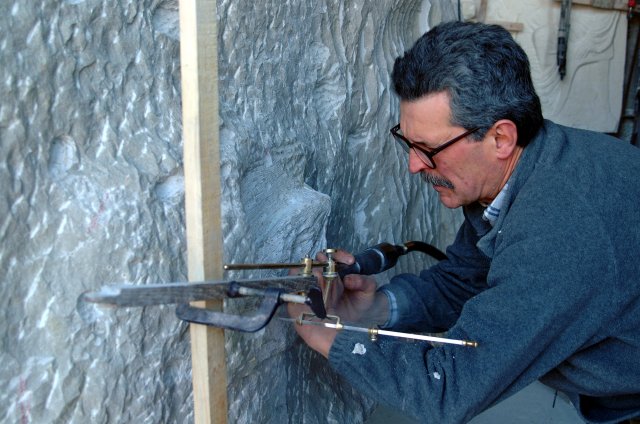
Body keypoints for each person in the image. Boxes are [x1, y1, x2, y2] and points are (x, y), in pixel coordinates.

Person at [289, 21, 640, 423]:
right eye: (407, 142)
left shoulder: (561, 231)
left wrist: (333, 340)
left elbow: (450, 387)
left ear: (500, 138)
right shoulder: (523, 171)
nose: (414, 165)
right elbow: (465, 281)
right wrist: (373, 309)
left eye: (428, 149)